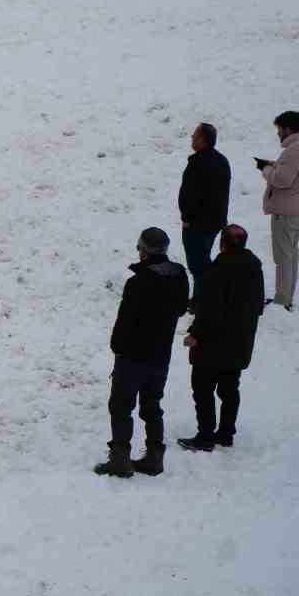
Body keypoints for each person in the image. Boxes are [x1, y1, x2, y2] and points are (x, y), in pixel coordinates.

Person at [94, 227, 189, 479]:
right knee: (152, 405)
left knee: (121, 406)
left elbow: (125, 321)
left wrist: (117, 347)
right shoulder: (179, 276)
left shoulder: (138, 283)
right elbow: (180, 310)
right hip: (160, 355)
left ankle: (120, 458)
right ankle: (155, 457)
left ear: (144, 251)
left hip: (133, 355)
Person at [178, 225, 264, 452]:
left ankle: (205, 436)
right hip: (240, 342)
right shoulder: (255, 268)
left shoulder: (217, 270)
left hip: (213, 343)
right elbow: (257, 307)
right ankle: (226, 433)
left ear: (222, 243)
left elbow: (210, 310)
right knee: (229, 389)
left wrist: (195, 334)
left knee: (203, 389)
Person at [257, 110, 299, 310]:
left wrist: (265, 169)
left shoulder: (295, 150)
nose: (278, 134)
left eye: (279, 129)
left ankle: (282, 300)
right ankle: (286, 297)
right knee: (290, 254)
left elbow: (282, 179)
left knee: (283, 257)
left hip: (286, 212)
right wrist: (274, 165)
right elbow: (291, 172)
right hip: (298, 210)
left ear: (288, 129)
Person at [178, 122, 231, 302]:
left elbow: (191, 195)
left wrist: (187, 218)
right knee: (202, 259)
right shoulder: (222, 161)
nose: (191, 138)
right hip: (214, 222)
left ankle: (204, 299)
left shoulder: (198, 163)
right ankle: (204, 296)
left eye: (194, 135)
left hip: (197, 223)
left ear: (202, 140)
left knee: (197, 264)